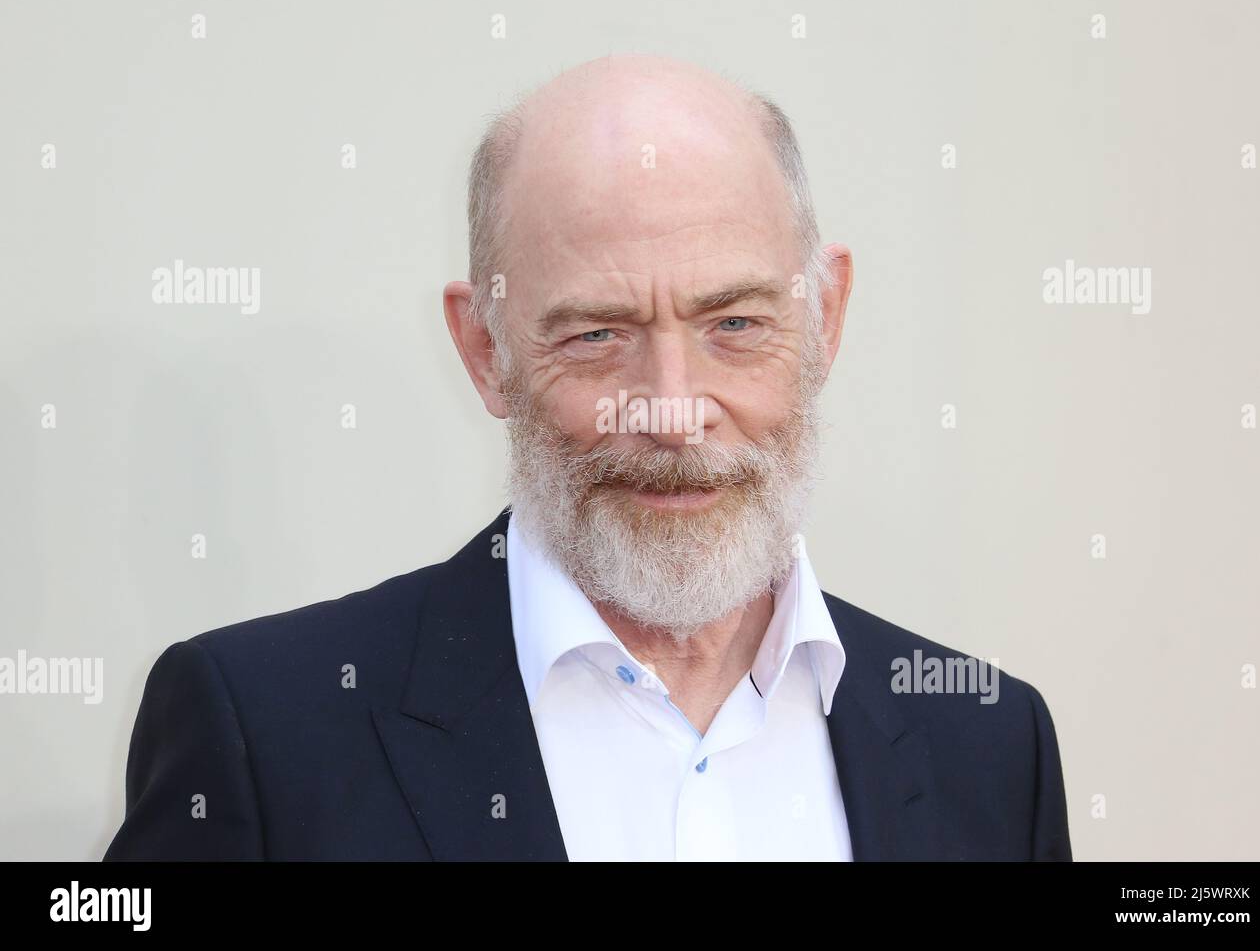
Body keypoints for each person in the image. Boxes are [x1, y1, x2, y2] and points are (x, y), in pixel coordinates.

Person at [105, 54, 1071, 861]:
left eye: (734, 323)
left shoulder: (990, 744)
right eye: (598, 335)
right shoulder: (263, 734)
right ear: (486, 350)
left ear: (825, 319)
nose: (672, 408)